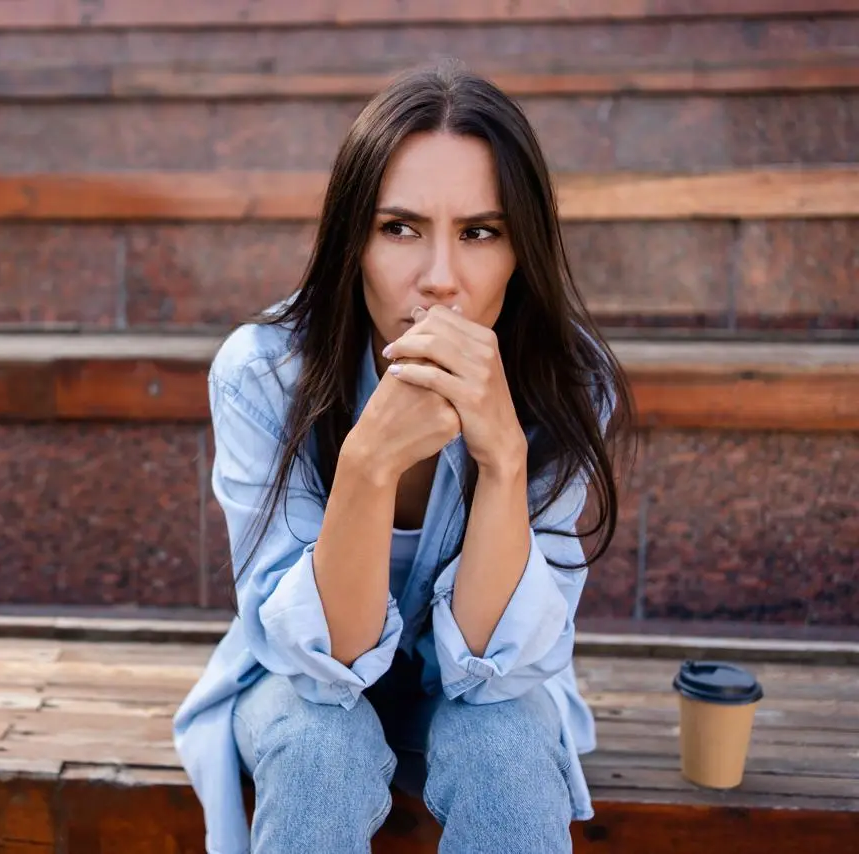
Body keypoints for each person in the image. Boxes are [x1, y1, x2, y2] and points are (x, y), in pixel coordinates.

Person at [172, 61, 632, 854]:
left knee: (507, 751)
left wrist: (503, 457)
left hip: (485, 694)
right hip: (299, 686)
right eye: (400, 229)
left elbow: (494, 670)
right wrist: (367, 467)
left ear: (523, 250)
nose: (440, 281)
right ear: (353, 242)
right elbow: (325, 665)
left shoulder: (568, 382)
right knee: (323, 747)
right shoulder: (262, 375)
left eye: (480, 233)